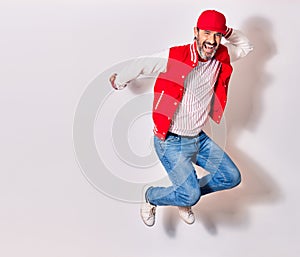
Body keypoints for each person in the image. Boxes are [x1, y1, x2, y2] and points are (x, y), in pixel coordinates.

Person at [109, 9, 253, 226]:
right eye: (207, 33)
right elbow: (143, 63)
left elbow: (246, 47)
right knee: (191, 194)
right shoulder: (176, 56)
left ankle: (184, 194)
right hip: (170, 141)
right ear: (196, 32)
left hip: (198, 139)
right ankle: (151, 196)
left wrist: (228, 31)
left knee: (231, 177)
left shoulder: (222, 55)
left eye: (217, 35)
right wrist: (119, 80)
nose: (212, 41)